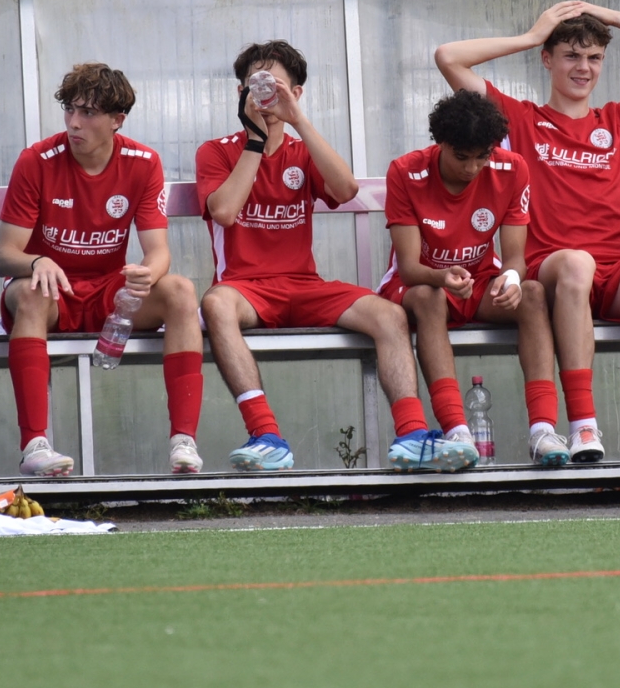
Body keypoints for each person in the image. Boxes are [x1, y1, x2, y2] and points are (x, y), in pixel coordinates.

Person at [435, 1, 620, 462]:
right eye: (571, 55)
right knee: (577, 263)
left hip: (617, 276)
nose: (584, 67)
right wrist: (530, 35)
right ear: (547, 59)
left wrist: (614, 18)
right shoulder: (518, 119)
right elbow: (448, 57)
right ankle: (583, 427)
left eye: (594, 57)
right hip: (553, 272)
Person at [199, 40, 467, 473]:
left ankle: (413, 434)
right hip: (246, 291)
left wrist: (298, 121)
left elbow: (345, 190)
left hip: (304, 286)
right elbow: (225, 212)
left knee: (389, 315)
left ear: (296, 93)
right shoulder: (216, 151)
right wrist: (255, 140)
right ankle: (266, 435)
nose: (265, 94)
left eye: (276, 86)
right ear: (240, 93)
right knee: (215, 304)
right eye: (256, 85)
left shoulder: (302, 149)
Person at [0, 64, 204, 477]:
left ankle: (184, 441)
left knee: (180, 290)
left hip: (110, 293)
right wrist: (37, 261)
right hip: (51, 294)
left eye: (88, 113)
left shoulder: (143, 162)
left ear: (116, 120)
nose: (74, 123)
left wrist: (147, 274)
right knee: (31, 291)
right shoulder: (36, 160)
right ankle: (34, 445)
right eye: (70, 110)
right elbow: (3, 256)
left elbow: (158, 251)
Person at [381, 90, 562, 464]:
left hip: (477, 282)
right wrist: (442, 276)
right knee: (430, 297)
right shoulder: (405, 171)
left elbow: (515, 259)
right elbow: (409, 267)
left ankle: (543, 431)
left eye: (483, 156)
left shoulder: (512, 169)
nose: (472, 167)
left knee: (531, 293)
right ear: (441, 142)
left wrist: (511, 280)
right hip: (420, 283)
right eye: (461, 157)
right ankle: (457, 431)